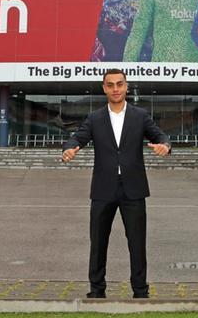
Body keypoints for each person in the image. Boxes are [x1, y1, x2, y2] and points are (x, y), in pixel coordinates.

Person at [61, 68, 171, 299]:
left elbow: (160, 135)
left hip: (134, 189)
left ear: (126, 86)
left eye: (119, 84)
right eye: (110, 85)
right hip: (103, 189)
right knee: (98, 243)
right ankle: (97, 290)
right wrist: (69, 148)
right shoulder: (95, 118)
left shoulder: (140, 116)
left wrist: (165, 146)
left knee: (137, 243)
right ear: (104, 88)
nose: (115, 89)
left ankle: (140, 292)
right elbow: (77, 137)